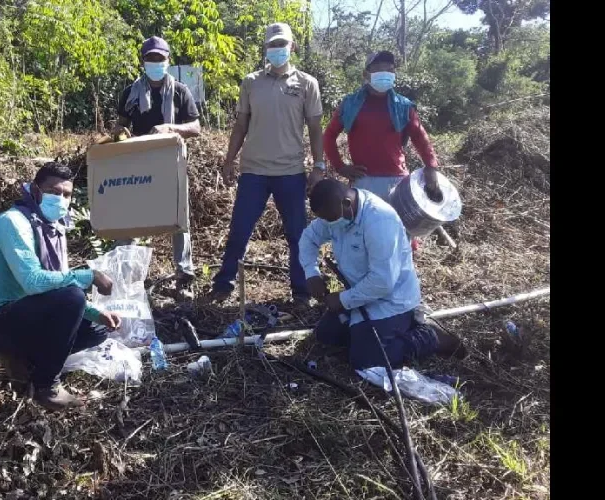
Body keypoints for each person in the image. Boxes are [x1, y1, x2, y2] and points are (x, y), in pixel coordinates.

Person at [0, 162, 122, 411]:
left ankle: (23, 362)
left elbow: (57, 282)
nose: (60, 199)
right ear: (36, 191)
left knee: (96, 329)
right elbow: (34, 282)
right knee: (72, 297)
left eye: (67, 194)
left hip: (27, 313)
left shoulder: (53, 229)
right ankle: (46, 387)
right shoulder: (14, 223)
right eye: (54, 191)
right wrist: (90, 276)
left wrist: (97, 313)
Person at [210, 22, 325, 305]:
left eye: (281, 45)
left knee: (298, 235)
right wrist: (229, 161)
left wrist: (319, 166)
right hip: (254, 171)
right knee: (240, 230)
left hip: (291, 172)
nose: (277, 50)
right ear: (265, 49)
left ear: (292, 47)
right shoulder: (251, 82)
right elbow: (240, 125)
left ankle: (301, 291)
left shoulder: (307, 83)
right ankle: (223, 283)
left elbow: (315, 127)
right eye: (272, 45)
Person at [299, 179, 465, 370]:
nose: (329, 224)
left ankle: (430, 337)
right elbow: (308, 239)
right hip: (360, 294)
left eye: (331, 219)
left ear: (346, 203)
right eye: (325, 220)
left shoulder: (380, 221)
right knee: (326, 335)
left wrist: (343, 300)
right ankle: (379, 332)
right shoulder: (334, 212)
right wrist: (311, 273)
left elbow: (382, 282)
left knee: (366, 361)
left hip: (392, 301)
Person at [310, 50, 442, 251]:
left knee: (400, 240)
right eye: (379, 69)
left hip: (398, 182)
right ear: (366, 74)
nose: (385, 74)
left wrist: (431, 167)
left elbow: (421, 138)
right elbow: (328, 136)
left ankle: (401, 280)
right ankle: (369, 279)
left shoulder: (403, 106)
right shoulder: (351, 104)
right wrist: (340, 167)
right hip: (364, 181)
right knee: (366, 236)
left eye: (390, 70)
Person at [113, 36, 201, 298]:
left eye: (159, 59)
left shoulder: (180, 91)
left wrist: (170, 127)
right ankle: (125, 279)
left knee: (178, 220)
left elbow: (195, 128)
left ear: (167, 60)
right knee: (130, 220)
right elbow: (121, 125)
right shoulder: (130, 93)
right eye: (150, 59)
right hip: (137, 165)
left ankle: (184, 277)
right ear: (143, 61)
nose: (155, 63)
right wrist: (120, 132)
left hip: (170, 163)